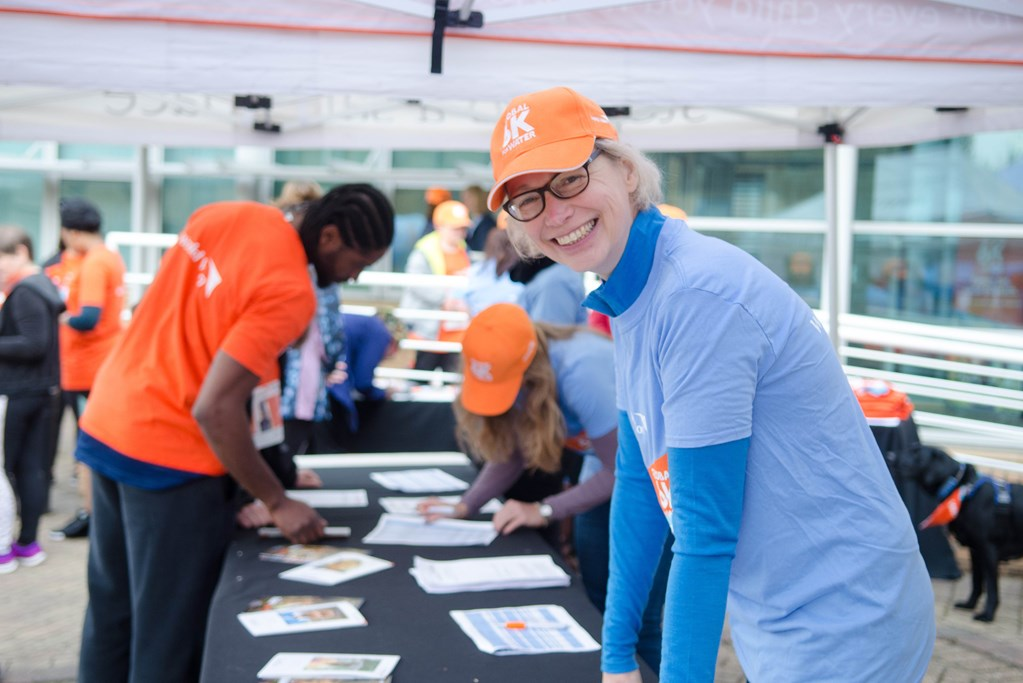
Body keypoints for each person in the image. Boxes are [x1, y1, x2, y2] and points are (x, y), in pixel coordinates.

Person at [486, 86, 935, 682]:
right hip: (777, 606)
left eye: (568, 178)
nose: (555, 211)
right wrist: (617, 655)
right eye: (529, 200)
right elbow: (640, 479)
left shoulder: (695, 295)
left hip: (843, 612)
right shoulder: (631, 291)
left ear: (623, 170)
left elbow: (702, 537)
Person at [74, 185, 394, 683]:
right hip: (169, 458)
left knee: (112, 612)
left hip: (109, 418)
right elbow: (216, 409)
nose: (355, 276)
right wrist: (277, 499)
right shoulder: (290, 291)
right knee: (167, 633)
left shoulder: (224, 213)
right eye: (360, 262)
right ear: (329, 236)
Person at [417, 303, 669, 671]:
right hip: (604, 475)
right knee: (597, 602)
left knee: (637, 618)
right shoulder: (526, 370)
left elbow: (627, 472)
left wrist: (544, 510)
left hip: (655, 485)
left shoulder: (583, 371)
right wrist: (466, 505)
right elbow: (513, 452)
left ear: (529, 368)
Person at [49, 197, 126, 541]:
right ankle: (95, 515)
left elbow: (88, 316)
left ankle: (93, 516)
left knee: (88, 447)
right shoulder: (107, 256)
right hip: (97, 366)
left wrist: (61, 316)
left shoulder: (95, 263)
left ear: (72, 232)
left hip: (90, 368)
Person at [0, 226, 64, 573]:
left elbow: (32, 343)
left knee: (10, 470)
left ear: (20, 252)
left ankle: (9, 548)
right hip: (41, 391)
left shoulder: (25, 291)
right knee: (30, 469)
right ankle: (27, 543)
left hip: (19, 392)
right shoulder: (43, 286)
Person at [399, 199, 472, 373]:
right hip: (429, 327)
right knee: (423, 371)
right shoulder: (424, 250)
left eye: (463, 228)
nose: (460, 233)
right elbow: (416, 282)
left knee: (452, 375)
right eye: (455, 228)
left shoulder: (463, 248)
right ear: (439, 226)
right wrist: (446, 299)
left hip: (455, 329)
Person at [461, 184, 497, 253]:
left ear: (478, 199)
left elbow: (481, 247)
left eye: (469, 198)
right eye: (464, 198)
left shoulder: (487, 222)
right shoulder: (475, 219)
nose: (465, 202)